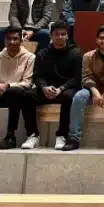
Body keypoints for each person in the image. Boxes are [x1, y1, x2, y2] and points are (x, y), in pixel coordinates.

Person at [63, 26, 104, 152]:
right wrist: (95, 91)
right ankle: (73, 138)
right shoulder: (88, 56)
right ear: (96, 40)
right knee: (79, 96)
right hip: (93, 89)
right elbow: (86, 77)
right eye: (101, 38)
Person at [32, 21, 82, 150]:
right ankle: (33, 134)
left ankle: (62, 135)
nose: (60, 37)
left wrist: (61, 88)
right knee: (27, 95)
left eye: (63, 34)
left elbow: (77, 78)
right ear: (51, 36)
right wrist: (44, 87)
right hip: (47, 89)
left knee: (69, 97)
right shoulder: (42, 54)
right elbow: (37, 76)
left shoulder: (76, 53)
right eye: (56, 34)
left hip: (66, 89)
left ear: (67, 36)